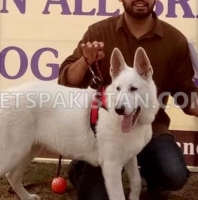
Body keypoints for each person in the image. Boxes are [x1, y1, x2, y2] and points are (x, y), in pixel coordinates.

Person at [58, 0, 198, 199]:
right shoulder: (99, 32)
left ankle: (154, 178)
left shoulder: (174, 40)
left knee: (173, 174)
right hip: (105, 131)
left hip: (151, 129)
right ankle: (81, 167)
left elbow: (186, 94)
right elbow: (67, 81)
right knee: (94, 196)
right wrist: (85, 60)